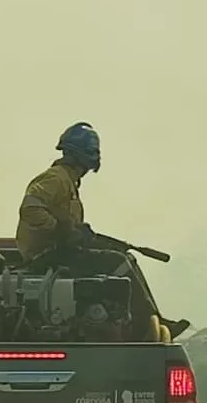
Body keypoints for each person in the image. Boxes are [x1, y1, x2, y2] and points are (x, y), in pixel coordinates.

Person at [15, 122, 190, 341]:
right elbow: (30, 209)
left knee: (126, 258)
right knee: (119, 263)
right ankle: (146, 324)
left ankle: (152, 320)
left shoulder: (68, 182)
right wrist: (59, 229)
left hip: (58, 252)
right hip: (47, 256)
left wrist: (78, 232)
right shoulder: (56, 179)